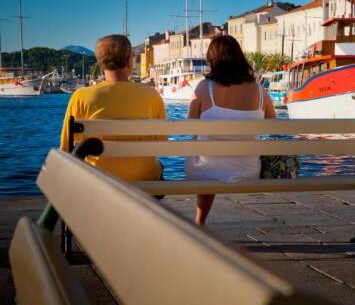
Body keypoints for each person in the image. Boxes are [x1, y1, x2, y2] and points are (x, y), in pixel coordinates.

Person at [185, 35, 276, 225]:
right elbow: (274, 123)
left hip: (205, 172)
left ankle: (199, 221)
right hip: (248, 170)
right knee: (213, 162)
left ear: (212, 60)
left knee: (207, 162)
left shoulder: (203, 88)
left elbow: (190, 126)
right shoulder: (260, 91)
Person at [60, 34, 167, 181]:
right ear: (129, 61)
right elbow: (160, 142)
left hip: (98, 179)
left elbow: (66, 147)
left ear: (100, 64)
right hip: (144, 177)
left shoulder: (81, 97)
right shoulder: (151, 95)